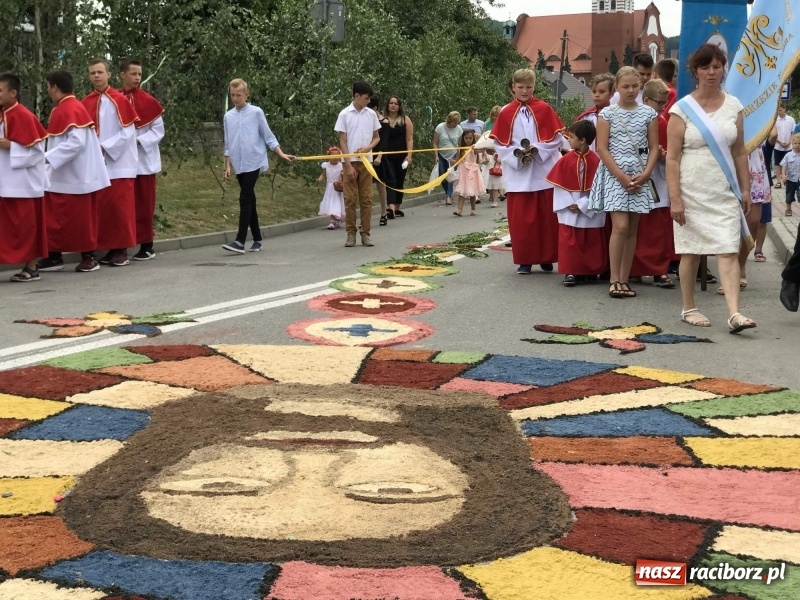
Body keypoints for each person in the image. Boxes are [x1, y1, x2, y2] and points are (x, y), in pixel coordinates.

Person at [667, 43, 756, 333]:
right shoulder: (682, 110)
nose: (711, 72)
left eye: (717, 66)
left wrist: (745, 189)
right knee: (691, 251)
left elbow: (740, 151)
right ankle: (688, 308)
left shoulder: (734, 106)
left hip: (724, 189)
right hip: (691, 189)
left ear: (723, 69)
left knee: (728, 249)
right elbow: (672, 157)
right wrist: (675, 198)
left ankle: (734, 314)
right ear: (695, 71)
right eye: (705, 67)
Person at [589, 66, 659, 298]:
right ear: (616, 88)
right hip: (613, 173)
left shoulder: (649, 114)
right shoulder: (606, 114)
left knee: (632, 229)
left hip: (639, 173)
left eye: (634, 86)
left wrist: (647, 173)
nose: (630, 90)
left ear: (640, 87)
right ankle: (613, 279)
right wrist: (620, 175)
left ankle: (625, 278)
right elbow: (601, 147)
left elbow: (653, 148)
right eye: (625, 86)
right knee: (619, 226)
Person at [490, 68, 564, 275]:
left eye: (528, 87)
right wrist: (517, 155)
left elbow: (556, 138)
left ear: (534, 87)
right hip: (519, 173)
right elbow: (499, 143)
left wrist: (537, 150)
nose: (524, 91)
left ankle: (547, 257)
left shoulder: (545, 108)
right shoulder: (505, 112)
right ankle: (525, 260)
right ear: (513, 88)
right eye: (520, 87)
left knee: (546, 219)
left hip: (542, 171)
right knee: (522, 222)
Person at [37, 70, 110, 274]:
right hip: (63, 174)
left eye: (48, 86)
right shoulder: (66, 107)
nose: (47, 90)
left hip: (77, 175)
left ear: (54, 87)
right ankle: (53, 256)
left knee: (80, 219)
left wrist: (49, 157)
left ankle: (89, 256)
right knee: (54, 218)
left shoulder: (70, 108)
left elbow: (76, 143)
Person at [222, 78, 295, 254]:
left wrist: (281, 153)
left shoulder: (256, 112)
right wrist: (227, 165)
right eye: (232, 95)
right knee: (250, 201)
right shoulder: (228, 116)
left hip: (254, 160)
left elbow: (268, 136)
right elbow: (228, 144)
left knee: (245, 197)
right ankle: (257, 238)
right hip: (239, 163)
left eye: (238, 95)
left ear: (246, 94)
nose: (235, 98)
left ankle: (240, 241)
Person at [82, 58, 139, 267]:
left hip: (119, 162)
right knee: (103, 208)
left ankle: (121, 249)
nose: (96, 76)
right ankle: (109, 247)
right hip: (97, 163)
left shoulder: (119, 100)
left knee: (119, 207)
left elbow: (128, 132)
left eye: (99, 72)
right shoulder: (86, 101)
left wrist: (104, 146)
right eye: (92, 73)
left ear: (109, 74)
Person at [546, 120, 607, 287]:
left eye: (571, 137)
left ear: (582, 140)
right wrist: (569, 203)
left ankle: (589, 271)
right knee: (570, 241)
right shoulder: (565, 160)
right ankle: (571, 271)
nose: (568, 139)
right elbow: (558, 185)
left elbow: (600, 188)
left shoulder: (597, 161)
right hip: (569, 209)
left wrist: (583, 204)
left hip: (590, 209)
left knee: (591, 242)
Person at [0, 72, 48, 282]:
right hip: (4, 179)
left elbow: (38, 152)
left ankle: (31, 267)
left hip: (22, 183)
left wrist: (13, 146)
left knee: (26, 227)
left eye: (0, 90)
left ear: (13, 92)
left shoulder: (25, 116)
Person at [630, 78, 675, 289]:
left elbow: (672, 156)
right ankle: (635, 270)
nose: (663, 108)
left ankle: (658, 270)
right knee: (636, 229)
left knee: (657, 230)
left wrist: (664, 158)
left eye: (665, 104)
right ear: (646, 100)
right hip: (635, 180)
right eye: (659, 103)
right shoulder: (632, 119)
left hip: (657, 182)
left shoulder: (663, 123)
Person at [119, 59, 165, 261]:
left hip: (143, 162)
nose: (137, 77)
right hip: (120, 161)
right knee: (124, 205)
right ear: (123, 75)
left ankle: (147, 244)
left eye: (139, 74)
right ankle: (122, 244)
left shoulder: (148, 101)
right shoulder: (116, 99)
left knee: (144, 206)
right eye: (133, 74)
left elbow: (158, 131)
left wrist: (138, 141)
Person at [335, 80, 381, 247]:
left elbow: (377, 137)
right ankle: (350, 233)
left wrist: (368, 148)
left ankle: (366, 232)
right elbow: (343, 140)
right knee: (350, 199)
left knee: (367, 199)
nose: (368, 102)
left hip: (366, 162)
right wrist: (347, 165)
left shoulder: (371, 115)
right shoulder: (344, 114)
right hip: (350, 162)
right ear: (357, 96)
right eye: (366, 98)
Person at [376, 96, 413, 221]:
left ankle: (397, 206)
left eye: (395, 103)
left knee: (399, 181)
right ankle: (390, 208)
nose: (393, 105)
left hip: (401, 155)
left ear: (399, 106)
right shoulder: (383, 120)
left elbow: (409, 139)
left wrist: (409, 155)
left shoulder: (405, 120)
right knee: (390, 180)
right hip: (387, 156)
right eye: (391, 103)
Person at [574, 73, 615, 152]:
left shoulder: (617, 115)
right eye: (594, 91)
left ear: (611, 93)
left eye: (602, 92)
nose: (597, 95)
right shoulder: (586, 117)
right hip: (590, 158)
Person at [452, 129, 485, 216]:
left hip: (473, 172)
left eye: (470, 138)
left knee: (472, 192)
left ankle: (473, 209)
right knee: (462, 192)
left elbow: (478, 158)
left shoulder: (475, 149)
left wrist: (476, 145)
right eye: (466, 138)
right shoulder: (461, 149)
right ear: (463, 138)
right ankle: (459, 210)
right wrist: (451, 162)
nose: (468, 140)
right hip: (463, 172)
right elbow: (457, 161)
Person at [432, 111, 462, 206]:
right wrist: (436, 155)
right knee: (442, 174)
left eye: (457, 123)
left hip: (453, 154)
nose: (455, 125)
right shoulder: (440, 127)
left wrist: (459, 155)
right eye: (454, 123)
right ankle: (448, 193)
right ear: (449, 120)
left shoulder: (459, 129)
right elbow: (435, 143)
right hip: (441, 154)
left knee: (450, 175)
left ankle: (448, 196)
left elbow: (460, 144)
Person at [368, 96, 389, 227]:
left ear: (375, 108)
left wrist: (379, 157)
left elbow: (384, 141)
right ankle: (367, 216)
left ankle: (383, 212)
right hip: (367, 154)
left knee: (381, 184)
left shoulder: (384, 122)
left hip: (379, 155)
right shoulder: (365, 120)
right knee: (366, 186)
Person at [316, 146, 344, 230]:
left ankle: (335, 220)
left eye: (337, 156)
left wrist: (343, 178)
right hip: (330, 188)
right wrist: (319, 180)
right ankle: (334, 220)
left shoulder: (341, 166)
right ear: (328, 156)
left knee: (337, 203)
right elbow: (323, 175)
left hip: (338, 188)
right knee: (331, 203)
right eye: (333, 156)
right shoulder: (327, 166)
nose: (335, 158)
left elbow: (343, 176)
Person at [483, 105, 505, 202]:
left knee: (499, 172)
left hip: (500, 150)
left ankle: (501, 192)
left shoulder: (504, 124)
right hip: (489, 150)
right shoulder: (487, 123)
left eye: (497, 115)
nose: (495, 118)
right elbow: (483, 138)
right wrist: (484, 150)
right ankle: (492, 194)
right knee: (490, 172)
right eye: (493, 115)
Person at [774, 103, 796, 188]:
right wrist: (779, 142)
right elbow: (772, 133)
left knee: (789, 163)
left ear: (784, 109)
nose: (779, 112)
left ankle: (788, 179)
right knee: (777, 163)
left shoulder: (790, 120)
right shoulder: (775, 120)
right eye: (777, 110)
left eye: (780, 110)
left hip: (788, 146)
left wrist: (789, 142)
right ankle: (779, 181)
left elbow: (793, 132)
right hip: (778, 145)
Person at [779, 132, 800, 216]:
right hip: (791, 179)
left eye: (799, 143)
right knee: (789, 195)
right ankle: (788, 209)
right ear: (792, 143)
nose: (797, 145)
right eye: (795, 143)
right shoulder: (788, 155)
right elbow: (784, 166)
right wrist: (783, 175)